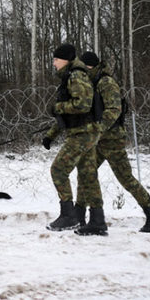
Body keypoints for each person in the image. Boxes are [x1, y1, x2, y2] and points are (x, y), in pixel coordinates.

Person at [75, 52, 150, 233]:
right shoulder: (91, 83)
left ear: (89, 67)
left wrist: (97, 128)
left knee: (125, 179)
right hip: (98, 139)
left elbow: (114, 110)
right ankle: (79, 215)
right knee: (85, 172)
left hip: (112, 139)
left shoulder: (106, 83)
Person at [42, 43, 106, 235]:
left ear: (66, 59)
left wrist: (58, 108)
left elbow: (82, 105)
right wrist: (50, 135)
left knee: (59, 169)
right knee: (88, 176)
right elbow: (71, 115)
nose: (53, 64)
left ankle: (68, 215)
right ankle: (97, 220)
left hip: (82, 133)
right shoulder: (73, 75)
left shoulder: (75, 75)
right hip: (86, 132)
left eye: (55, 60)